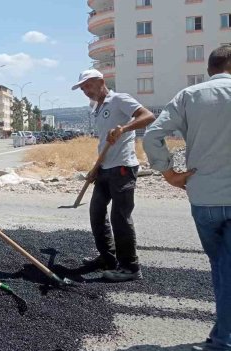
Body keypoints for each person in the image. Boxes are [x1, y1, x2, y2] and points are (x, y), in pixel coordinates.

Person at [143, 45, 231, 351]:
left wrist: (169, 174)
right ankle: (223, 340)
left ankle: (222, 335)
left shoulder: (190, 96)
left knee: (222, 266)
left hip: (205, 197)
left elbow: (152, 135)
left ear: (210, 69)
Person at [71, 69, 155, 282]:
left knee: (120, 217)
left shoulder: (120, 99)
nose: (85, 91)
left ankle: (130, 267)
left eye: (88, 86)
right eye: (82, 88)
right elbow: (103, 141)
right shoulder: (97, 108)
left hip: (123, 168)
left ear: (101, 81)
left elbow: (148, 116)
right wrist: (96, 167)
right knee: (96, 212)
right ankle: (107, 258)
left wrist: (124, 128)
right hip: (105, 167)